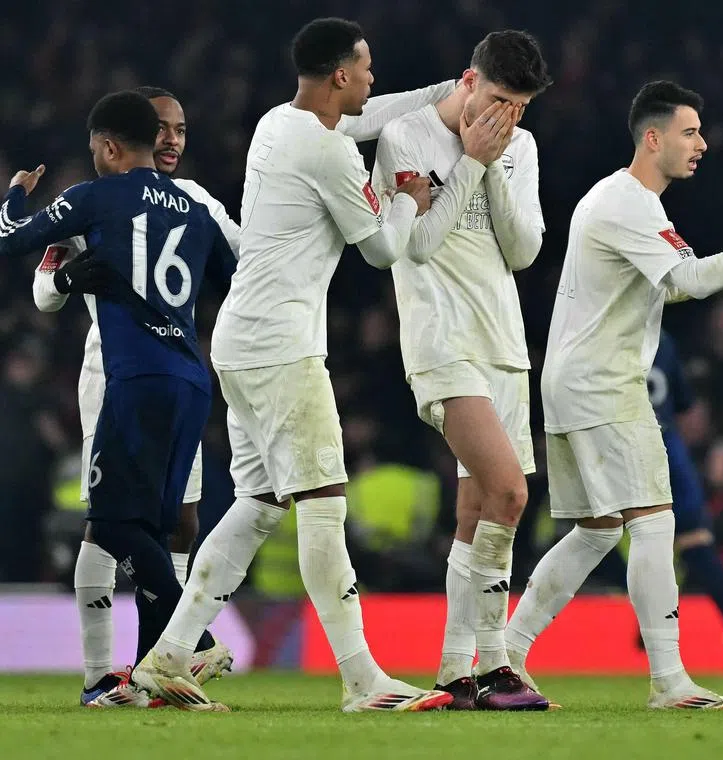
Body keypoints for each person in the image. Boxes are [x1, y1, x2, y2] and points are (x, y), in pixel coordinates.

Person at [132, 17, 452, 713]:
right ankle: (363, 679)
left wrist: (445, 91)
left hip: (241, 341)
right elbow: (382, 250)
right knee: (324, 501)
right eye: (365, 69)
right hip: (281, 346)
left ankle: (167, 656)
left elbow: (368, 120)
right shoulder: (329, 154)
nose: (372, 79)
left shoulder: (280, 122)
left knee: (258, 502)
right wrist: (408, 199)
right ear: (341, 74)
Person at [503, 80, 723, 709]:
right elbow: (689, 279)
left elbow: (684, 283)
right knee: (656, 522)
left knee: (598, 530)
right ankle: (670, 682)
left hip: (574, 379)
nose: (703, 144)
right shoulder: (626, 201)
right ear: (653, 137)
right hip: (605, 382)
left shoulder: (630, 203)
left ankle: (507, 656)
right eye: (690, 132)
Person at [0, 90, 237, 706]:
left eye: (182, 129)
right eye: (162, 129)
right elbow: (45, 295)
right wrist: (68, 277)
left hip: (151, 373)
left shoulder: (188, 198)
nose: (172, 140)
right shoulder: (173, 205)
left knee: (168, 523)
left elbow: (244, 265)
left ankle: (162, 660)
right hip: (123, 375)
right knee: (108, 528)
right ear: (139, 135)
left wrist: (14, 197)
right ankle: (109, 671)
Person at [373, 30, 552, 711]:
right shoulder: (406, 138)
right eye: (501, 100)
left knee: (478, 511)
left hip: (503, 340)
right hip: (441, 338)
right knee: (509, 495)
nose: (510, 117)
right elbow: (414, 244)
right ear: (468, 81)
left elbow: (525, 250)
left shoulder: (521, 147)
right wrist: (473, 162)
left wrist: (494, 162)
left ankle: (455, 668)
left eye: (522, 107)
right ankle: (499, 661)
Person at [651, 330, 723, 678]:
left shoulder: (605, 327)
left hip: (627, 448)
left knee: (609, 539)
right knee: (697, 545)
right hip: (671, 451)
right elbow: (684, 402)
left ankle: (648, 628)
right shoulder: (663, 339)